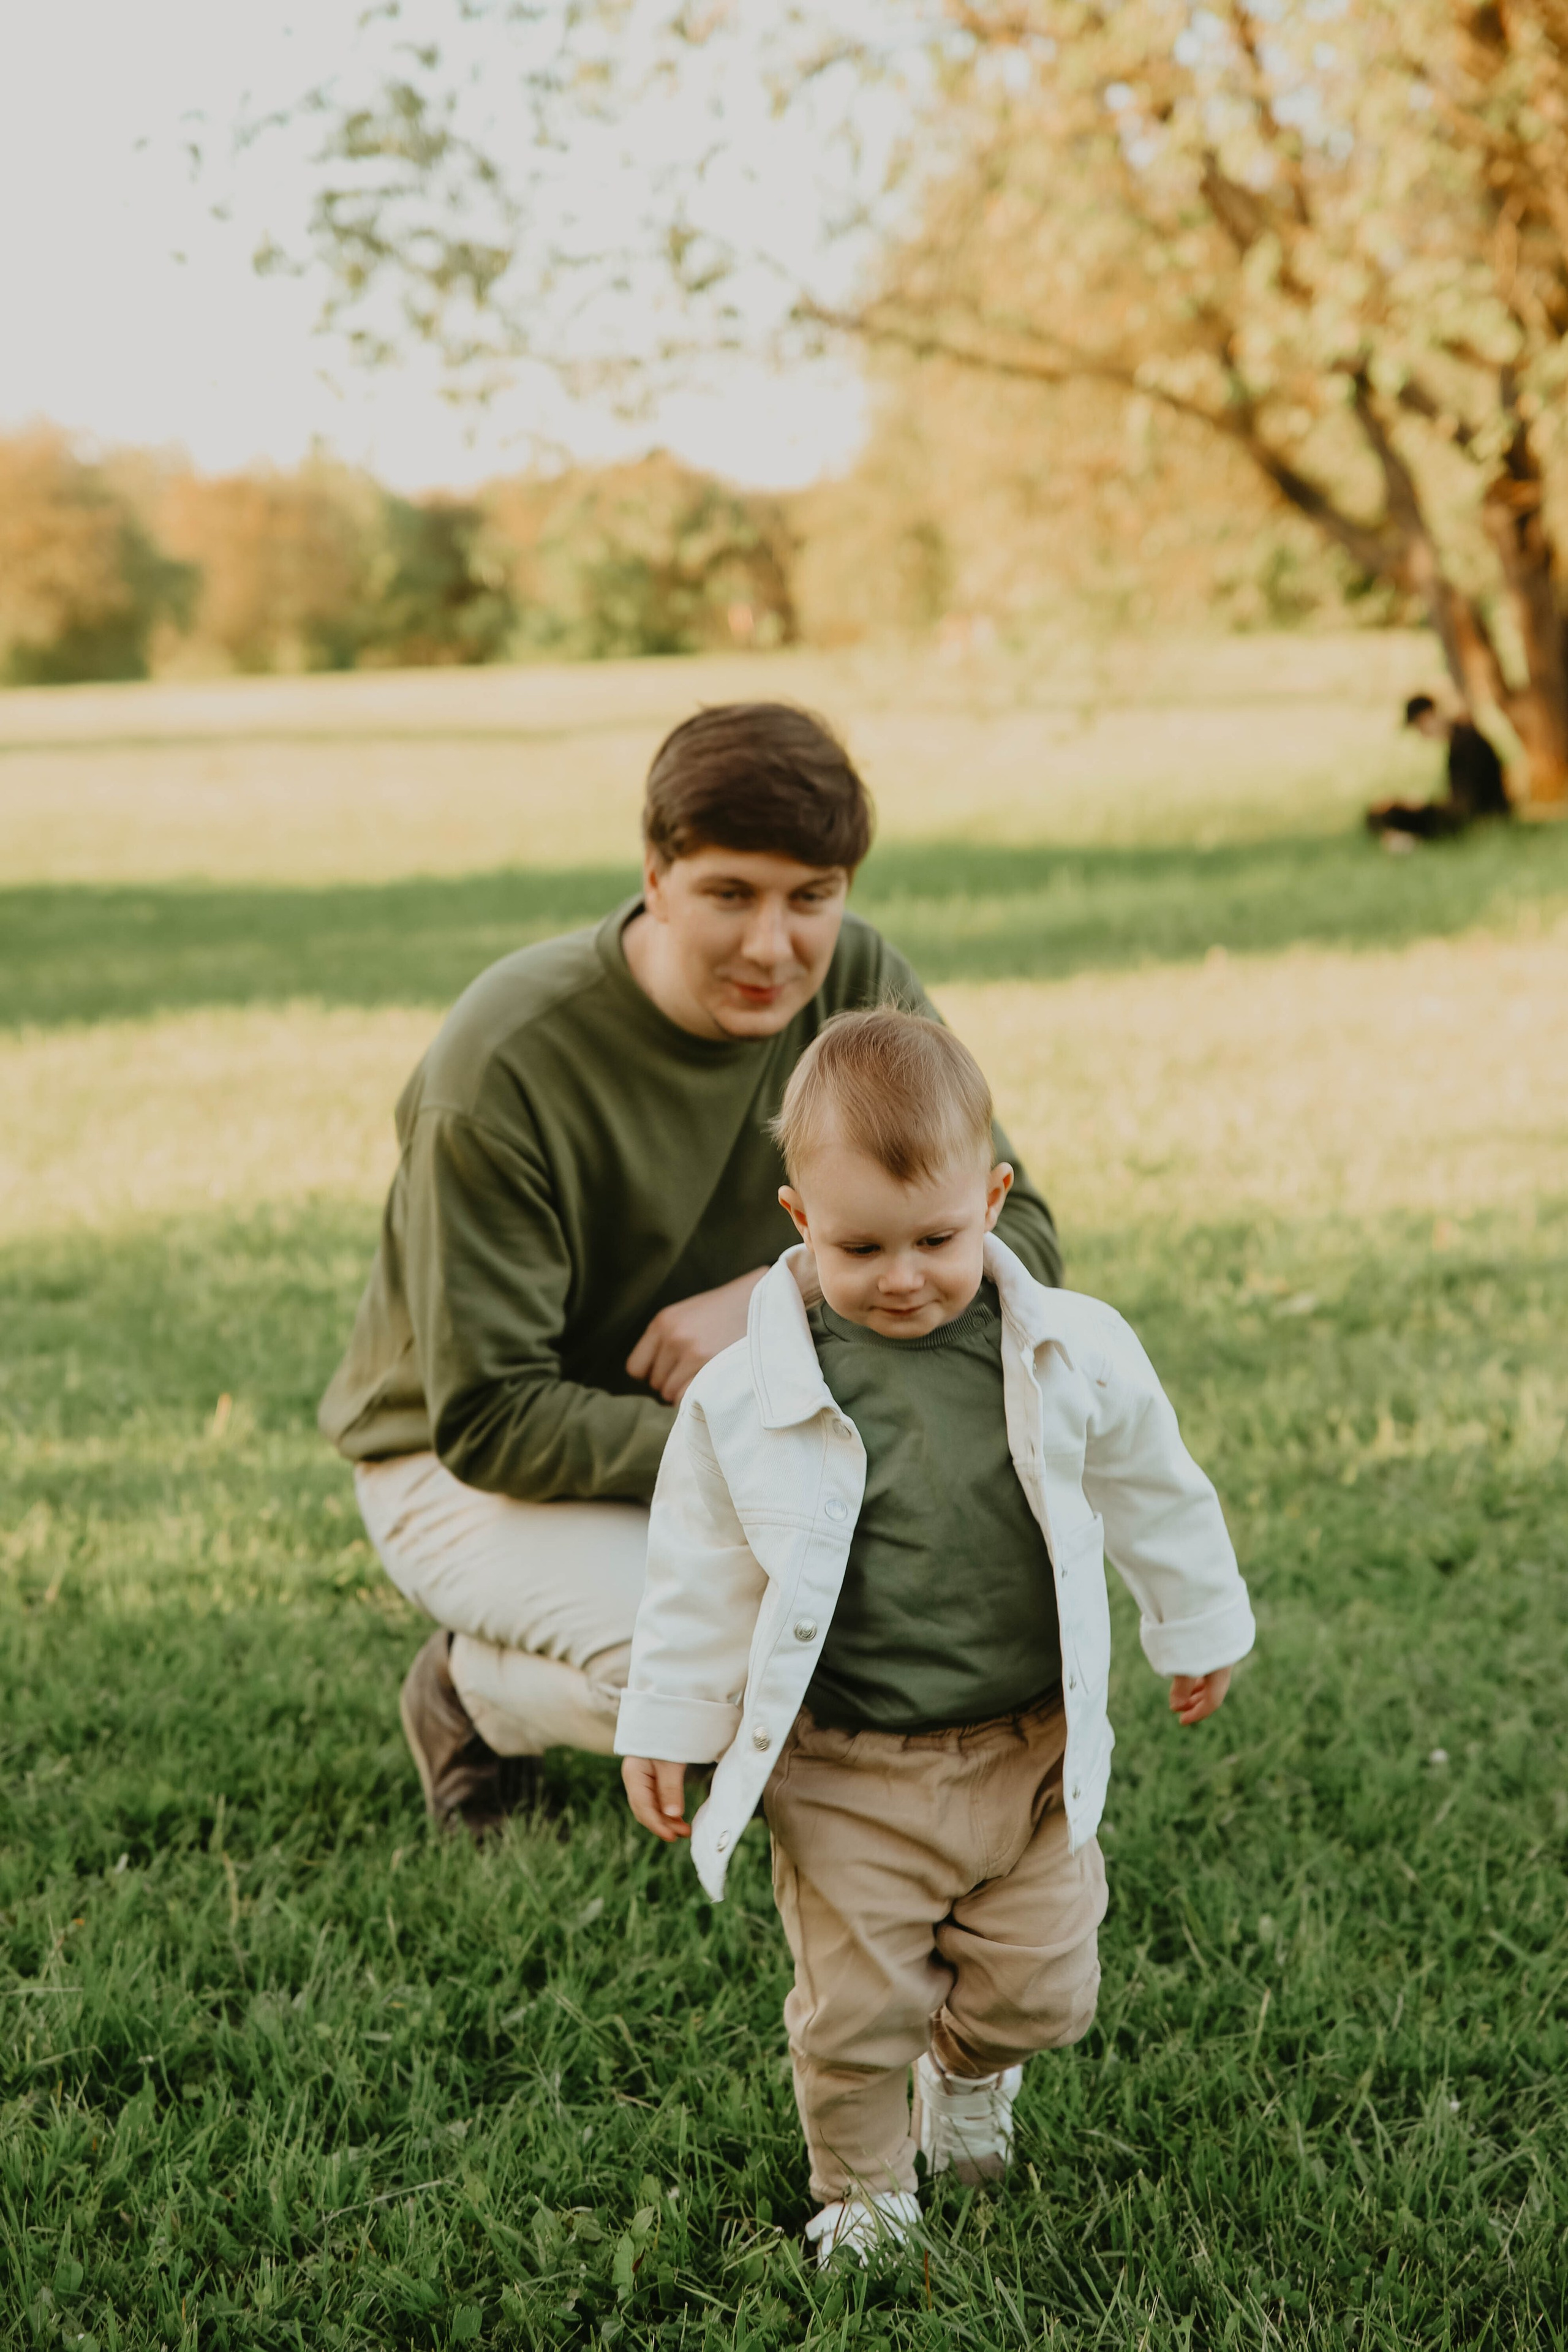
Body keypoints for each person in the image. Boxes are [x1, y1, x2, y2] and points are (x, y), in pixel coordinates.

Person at [318, 704, 1063, 1834]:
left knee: (848, 1626)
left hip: (710, 1435)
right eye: (731, 894)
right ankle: (472, 1694)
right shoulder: (505, 1062)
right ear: (657, 875)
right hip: (463, 1468)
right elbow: (490, 1418)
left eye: (812, 896)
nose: (776, 947)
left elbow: (1019, 1234)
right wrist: (767, 1465)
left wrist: (786, 1288)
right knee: (708, 1680)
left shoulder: (856, 983)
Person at [617, 1008, 1255, 2266]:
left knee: (1041, 1987)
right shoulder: (745, 1397)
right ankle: (861, 2189)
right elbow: (695, 1568)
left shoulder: (1073, 1350)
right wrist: (669, 1721)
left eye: (937, 1240)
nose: (902, 1275)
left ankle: (966, 2074)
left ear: (995, 1199)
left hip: (1029, 1748)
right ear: (798, 1219)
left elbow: (1156, 1490)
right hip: (848, 1764)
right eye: (860, 1246)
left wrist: (1193, 1622)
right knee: (856, 2012)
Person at [1366, 696, 1512, 842]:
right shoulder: (1459, 740)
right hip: (1475, 813)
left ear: (1429, 717)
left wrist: (1420, 808)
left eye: (1419, 727)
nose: (1421, 735)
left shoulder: (1466, 743)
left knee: (1394, 815)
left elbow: (1466, 803)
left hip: (1479, 816)